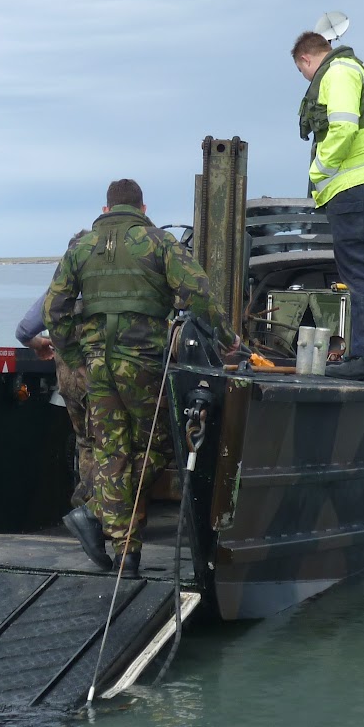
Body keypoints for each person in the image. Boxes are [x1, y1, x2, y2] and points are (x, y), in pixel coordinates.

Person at [44, 179, 238, 575]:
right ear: (143, 209)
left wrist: (74, 354)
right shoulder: (160, 243)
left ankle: (126, 558)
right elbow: (198, 293)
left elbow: (54, 310)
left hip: (98, 368)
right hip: (144, 364)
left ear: (106, 209)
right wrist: (227, 337)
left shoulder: (81, 248)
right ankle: (96, 515)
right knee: (163, 444)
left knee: (112, 454)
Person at [291, 31, 364, 380]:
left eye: (301, 71)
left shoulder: (336, 73)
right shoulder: (358, 70)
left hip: (354, 188)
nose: (306, 78)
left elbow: (342, 129)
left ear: (306, 59)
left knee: (359, 275)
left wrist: (318, 172)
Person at [15, 273, 94, 509]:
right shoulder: (107, 290)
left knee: (85, 441)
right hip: (102, 376)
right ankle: (115, 512)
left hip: (69, 378)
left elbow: (24, 332)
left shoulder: (59, 292)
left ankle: (86, 509)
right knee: (114, 441)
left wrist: (39, 343)